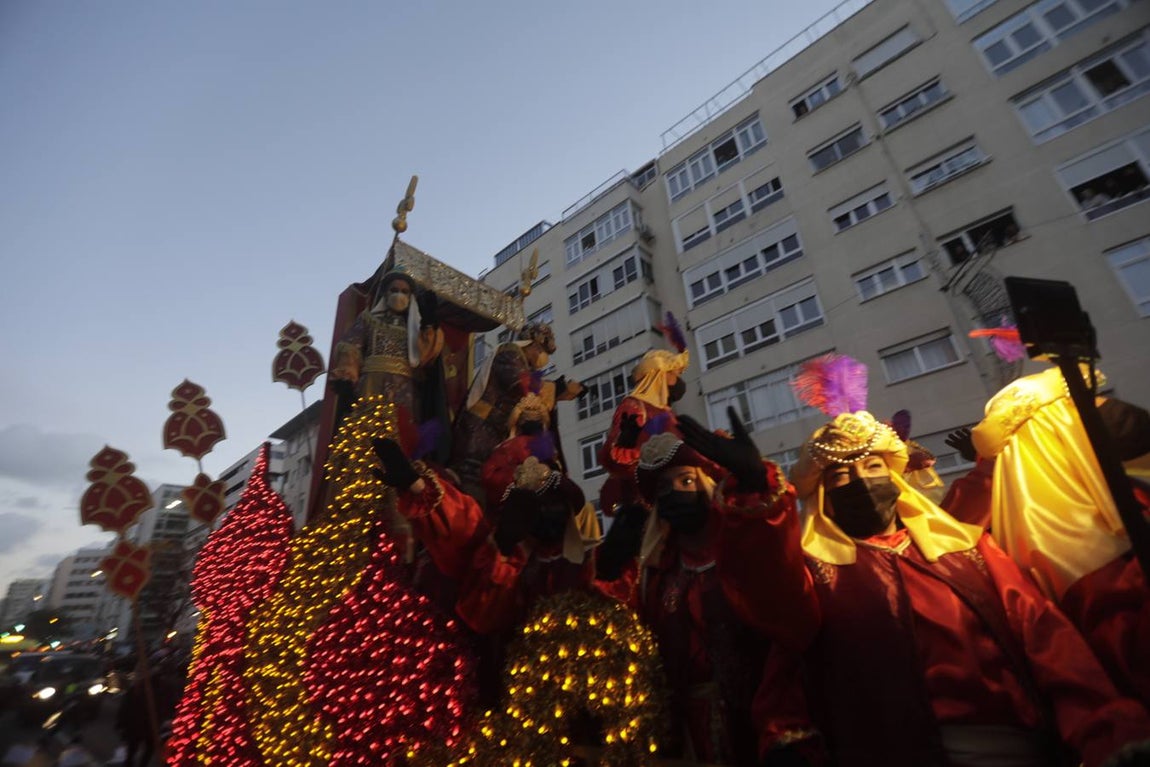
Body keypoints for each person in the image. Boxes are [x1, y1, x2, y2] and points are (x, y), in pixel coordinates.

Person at [680, 406, 1150, 767]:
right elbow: (769, 601)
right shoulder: (815, 573)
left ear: (897, 480)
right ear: (823, 495)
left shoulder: (971, 551)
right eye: (841, 475)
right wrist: (753, 491)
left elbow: (1046, 640)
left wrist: (1107, 727)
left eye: (873, 469)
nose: (861, 482)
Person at [596, 428, 798, 764]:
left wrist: (754, 486)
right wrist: (609, 573)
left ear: (707, 485)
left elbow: (783, 584)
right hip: (689, 735)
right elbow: (628, 647)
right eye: (663, 487)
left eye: (686, 481)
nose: (674, 491)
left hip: (762, 724)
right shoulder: (657, 574)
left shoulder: (740, 553)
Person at [971, 364, 1150, 704]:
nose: (1098, 410)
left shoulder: (1130, 495)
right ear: (1052, 433)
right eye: (1078, 407)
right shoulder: (1070, 552)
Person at [451, 322, 582, 506]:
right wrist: (560, 387)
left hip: (495, 430)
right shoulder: (508, 352)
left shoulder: (521, 361)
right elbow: (521, 384)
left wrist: (561, 393)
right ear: (533, 345)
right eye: (541, 350)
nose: (542, 357)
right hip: (479, 429)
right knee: (472, 482)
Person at [328, 266, 445, 427]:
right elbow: (351, 348)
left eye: (405, 292)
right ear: (385, 293)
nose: (399, 295)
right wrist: (347, 381)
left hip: (405, 393)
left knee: (401, 437)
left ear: (411, 297)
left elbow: (426, 356)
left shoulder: (415, 328)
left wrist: (429, 323)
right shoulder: (368, 319)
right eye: (394, 290)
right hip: (371, 386)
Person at [597, 347, 689, 516]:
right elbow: (616, 457)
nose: (679, 380)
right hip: (646, 501)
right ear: (660, 374)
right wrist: (624, 446)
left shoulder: (666, 413)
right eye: (676, 374)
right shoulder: (634, 406)